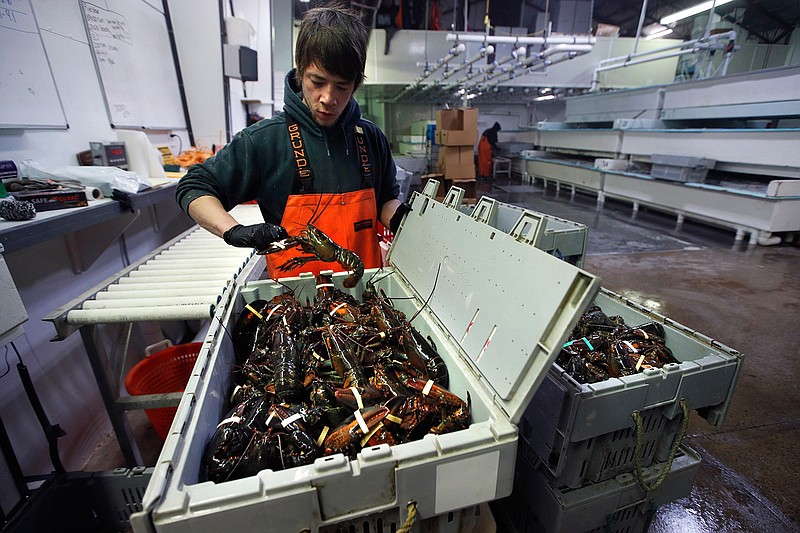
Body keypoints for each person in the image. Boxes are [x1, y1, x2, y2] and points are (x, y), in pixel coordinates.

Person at [176, 2, 409, 280]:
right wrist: (233, 230)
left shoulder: (371, 139)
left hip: (365, 292)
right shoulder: (264, 140)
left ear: (356, 83)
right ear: (300, 72)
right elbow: (194, 187)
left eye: (342, 86)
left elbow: (385, 199)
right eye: (317, 81)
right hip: (296, 302)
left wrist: (401, 219)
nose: (328, 98)